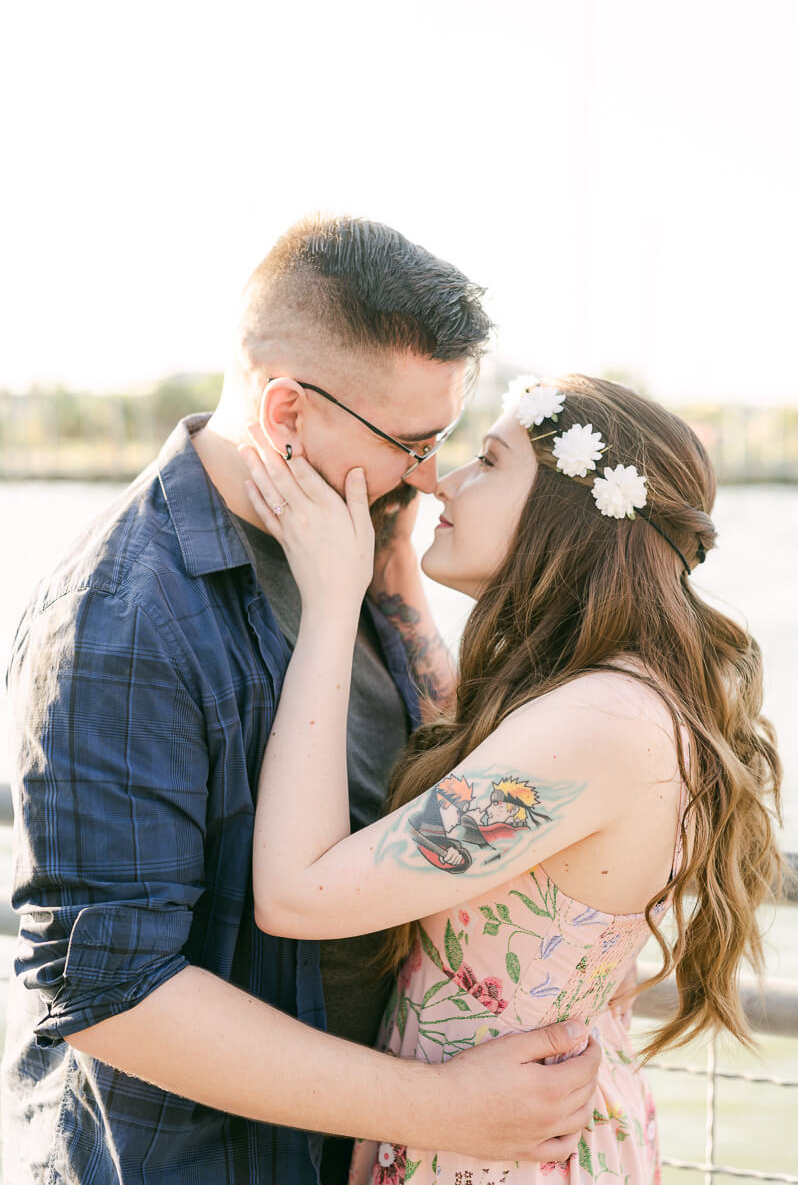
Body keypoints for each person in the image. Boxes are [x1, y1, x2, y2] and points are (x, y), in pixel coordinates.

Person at [1, 218, 601, 1185]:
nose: (428, 472)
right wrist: (441, 1107)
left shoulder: (356, 529)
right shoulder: (121, 619)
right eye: (410, 441)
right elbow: (110, 990)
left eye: (442, 439)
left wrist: (399, 581)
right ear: (286, 412)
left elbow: (436, 776)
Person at [240, 372, 784, 1183]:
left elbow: (295, 895)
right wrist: (396, 580)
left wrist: (329, 604)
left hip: (496, 1154)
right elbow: (464, 763)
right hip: (516, 1130)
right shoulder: (607, 696)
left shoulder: (599, 725)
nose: (441, 480)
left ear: (566, 516)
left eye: (488, 461)